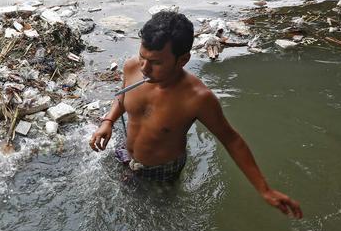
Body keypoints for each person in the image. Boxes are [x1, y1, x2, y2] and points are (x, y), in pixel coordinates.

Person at [89, 11, 302, 218]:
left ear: (182, 60)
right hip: (126, 152)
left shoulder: (197, 98)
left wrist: (264, 189)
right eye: (142, 57)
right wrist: (108, 121)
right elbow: (122, 96)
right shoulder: (131, 67)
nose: (145, 68)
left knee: (157, 215)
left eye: (156, 63)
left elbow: (232, 140)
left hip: (161, 170)